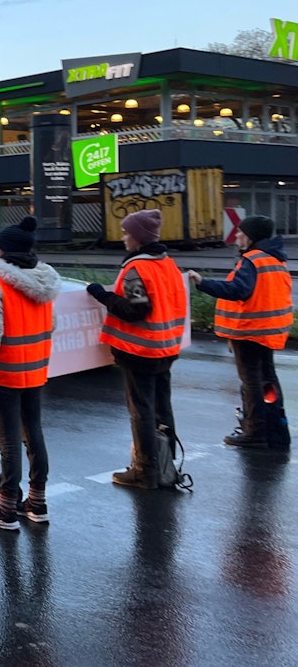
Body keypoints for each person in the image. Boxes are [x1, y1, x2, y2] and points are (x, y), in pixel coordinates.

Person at [0, 216, 61, 529]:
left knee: (8, 443)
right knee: (34, 435)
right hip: (35, 372)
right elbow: (51, 325)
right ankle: (36, 502)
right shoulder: (45, 285)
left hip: (5, 375)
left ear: (4, 252)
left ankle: (5, 510)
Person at [86, 209, 188, 489]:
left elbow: (135, 310)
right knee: (162, 410)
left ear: (139, 238)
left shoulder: (136, 269)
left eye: (126, 233)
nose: (123, 238)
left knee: (142, 412)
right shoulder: (168, 264)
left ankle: (145, 471)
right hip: (166, 348)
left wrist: (102, 295)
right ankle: (168, 468)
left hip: (139, 351)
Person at [187, 215, 292, 449]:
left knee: (251, 382)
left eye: (240, 233)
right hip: (268, 331)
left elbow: (237, 290)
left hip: (249, 331)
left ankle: (255, 432)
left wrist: (202, 282)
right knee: (267, 382)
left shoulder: (252, 261)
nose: (236, 236)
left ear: (250, 236)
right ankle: (276, 430)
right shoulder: (275, 259)